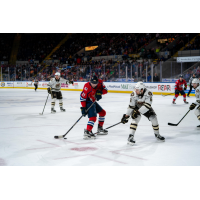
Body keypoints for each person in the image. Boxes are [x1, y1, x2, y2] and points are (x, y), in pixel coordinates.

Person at [80, 75, 108, 139]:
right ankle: (87, 131)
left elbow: (106, 90)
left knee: (102, 113)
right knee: (93, 118)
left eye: (95, 83)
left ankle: (100, 128)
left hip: (93, 101)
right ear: (90, 82)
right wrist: (84, 108)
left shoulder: (100, 82)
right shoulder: (87, 87)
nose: (94, 85)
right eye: (92, 83)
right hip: (87, 101)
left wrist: (100, 92)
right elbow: (82, 98)